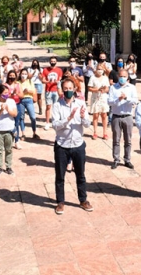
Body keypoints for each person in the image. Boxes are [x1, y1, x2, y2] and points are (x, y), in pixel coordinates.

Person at [52, 78, 94, 215]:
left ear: (75, 89)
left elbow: (87, 125)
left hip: (78, 144)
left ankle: (83, 200)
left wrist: (82, 117)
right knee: (60, 175)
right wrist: (68, 119)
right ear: (62, 90)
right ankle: (60, 202)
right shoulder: (57, 105)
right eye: (66, 88)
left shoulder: (81, 103)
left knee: (80, 175)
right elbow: (55, 125)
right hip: (62, 145)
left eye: (70, 88)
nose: (68, 91)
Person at [107, 69, 139, 170]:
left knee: (128, 140)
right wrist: (118, 99)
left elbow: (135, 100)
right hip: (116, 116)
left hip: (128, 116)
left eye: (124, 76)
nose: (122, 78)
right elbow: (109, 102)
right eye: (121, 76)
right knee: (116, 140)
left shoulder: (132, 87)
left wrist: (126, 98)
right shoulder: (113, 87)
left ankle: (127, 159)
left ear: (127, 77)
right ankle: (116, 159)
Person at [0, 85, 18, 176]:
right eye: (5, 93)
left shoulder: (11, 101)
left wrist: (7, 109)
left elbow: (14, 114)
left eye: (8, 92)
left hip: (9, 130)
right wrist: (1, 110)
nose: (7, 94)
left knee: (9, 149)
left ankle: (8, 167)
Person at [88, 66, 110, 139]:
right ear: (96, 70)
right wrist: (97, 89)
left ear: (103, 70)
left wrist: (104, 90)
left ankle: (105, 133)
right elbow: (89, 88)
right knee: (95, 115)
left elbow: (107, 88)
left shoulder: (105, 78)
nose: (99, 70)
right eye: (98, 69)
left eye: (101, 69)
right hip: (95, 98)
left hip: (103, 98)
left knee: (104, 115)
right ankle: (95, 132)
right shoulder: (92, 77)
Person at [42, 56, 63, 134]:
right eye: (52, 61)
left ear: (56, 62)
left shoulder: (59, 70)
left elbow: (60, 79)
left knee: (56, 106)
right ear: (49, 61)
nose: (53, 62)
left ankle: (56, 121)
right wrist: (48, 81)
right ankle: (47, 122)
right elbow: (43, 80)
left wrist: (57, 81)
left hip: (56, 90)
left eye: (54, 61)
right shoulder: (45, 70)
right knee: (48, 106)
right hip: (48, 90)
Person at [18, 68, 38, 148]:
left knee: (33, 117)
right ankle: (23, 133)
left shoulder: (30, 81)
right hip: (21, 100)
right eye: (22, 73)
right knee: (21, 117)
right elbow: (17, 92)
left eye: (25, 73)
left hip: (29, 100)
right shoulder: (18, 83)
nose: (24, 75)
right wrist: (23, 92)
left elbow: (33, 91)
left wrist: (28, 91)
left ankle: (34, 132)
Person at [5, 70, 24, 144]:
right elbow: (3, 96)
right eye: (10, 75)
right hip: (8, 105)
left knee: (16, 123)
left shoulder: (18, 85)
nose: (12, 77)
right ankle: (8, 140)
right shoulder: (5, 85)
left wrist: (16, 93)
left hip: (17, 105)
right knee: (7, 122)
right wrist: (12, 94)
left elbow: (22, 96)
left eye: (13, 75)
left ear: (16, 76)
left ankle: (16, 141)